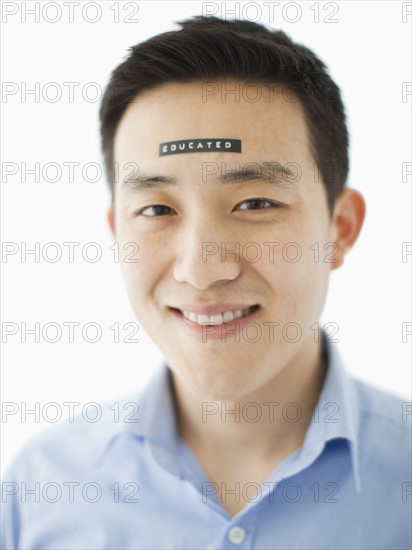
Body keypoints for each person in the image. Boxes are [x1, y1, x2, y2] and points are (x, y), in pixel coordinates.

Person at [1, 15, 410, 550]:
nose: (200, 267)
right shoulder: (40, 491)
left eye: (255, 203)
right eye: (155, 208)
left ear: (340, 228)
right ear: (117, 231)